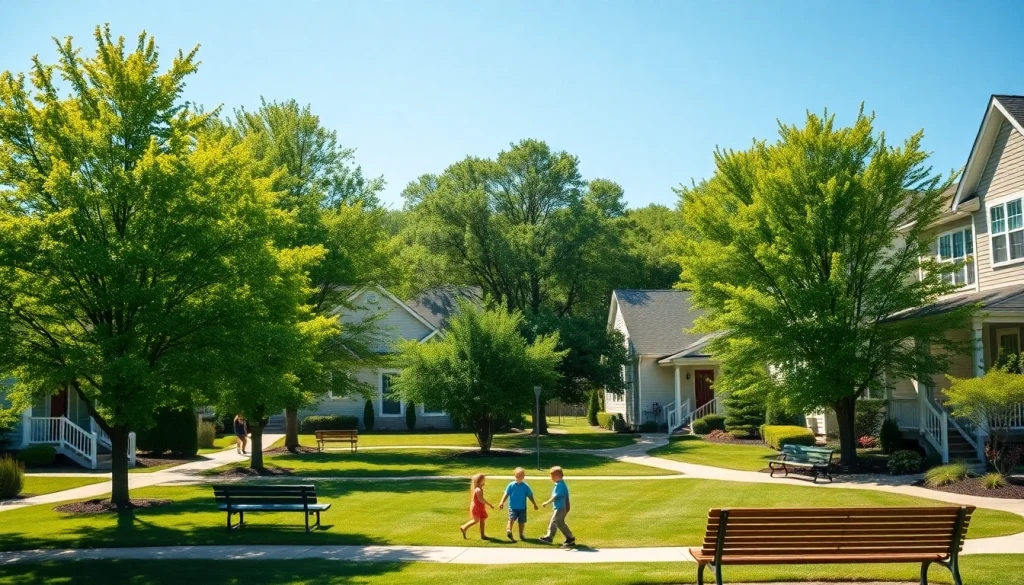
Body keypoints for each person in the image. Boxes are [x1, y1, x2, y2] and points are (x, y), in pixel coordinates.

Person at [498, 467, 538, 541]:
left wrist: (534, 504)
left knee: (522, 522)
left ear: (523, 477)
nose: (518, 477)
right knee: (511, 519)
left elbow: (530, 495)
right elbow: (506, 494)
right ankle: (509, 530)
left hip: (522, 508)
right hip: (513, 507)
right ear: (514, 476)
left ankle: (521, 534)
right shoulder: (511, 485)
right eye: (517, 476)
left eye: (520, 476)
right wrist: (502, 502)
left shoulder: (526, 486)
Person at [539, 465, 575, 547]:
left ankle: (566, 538)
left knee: (557, 522)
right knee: (557, 522)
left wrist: (546, 502)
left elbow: (556, 496)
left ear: (556, 476)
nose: (550, 477)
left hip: (561, 507)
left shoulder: (560, 485)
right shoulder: (560, 484)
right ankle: (566, 538)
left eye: (551, 476)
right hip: (560, 507)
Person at [459, 473, 495, 539]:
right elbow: (480, 499)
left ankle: (482, 535)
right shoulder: (478, 489)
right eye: (483, 479)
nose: (485, 481)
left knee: (482, 520)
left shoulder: (479, 488)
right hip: (476, 508)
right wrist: (489, 504)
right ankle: (464, 527)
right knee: (476, 520)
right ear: (479, 480)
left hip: (480, 507)